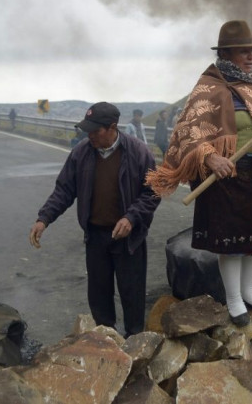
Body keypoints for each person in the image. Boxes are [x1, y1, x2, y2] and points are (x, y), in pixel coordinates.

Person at [146, 20, 252, 326]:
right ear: (225, 53)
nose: (250, 56)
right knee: (232, 243)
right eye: (243, 51)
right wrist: (210, 158)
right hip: (225, 176)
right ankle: (234, 298)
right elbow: (188, 132)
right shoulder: (210, 87)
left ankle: (250, 290)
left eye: (251, 51)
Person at [28, 102, 161, 336]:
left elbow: (152, 193)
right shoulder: (81, 153)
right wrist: (44, 218)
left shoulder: (139, 153)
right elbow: (64, 190)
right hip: (96, 236)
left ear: (112, 127)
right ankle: (105, 338)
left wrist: (131, 217)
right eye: (86, 130)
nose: (89, 135)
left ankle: (135, 340)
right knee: (99, 293)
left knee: (132, 292)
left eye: (95, 130)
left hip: (129, 238)